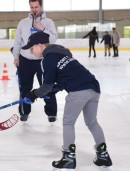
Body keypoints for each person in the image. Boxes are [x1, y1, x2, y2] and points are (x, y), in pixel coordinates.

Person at [22, 32, 113, 170]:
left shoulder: (47, 59)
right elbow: (66, 77)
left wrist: (33, 94)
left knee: (68, 122)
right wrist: (54, 89)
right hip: (93, 87)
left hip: (78, 90)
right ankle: (103, 155)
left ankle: (68, 157)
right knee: (92, 122)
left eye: (32, 48)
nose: (31, 51)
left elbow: (46, 86)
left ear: (40, 45)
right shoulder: (62, 54)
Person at [12, 0, 58, 122]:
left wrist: (43, 29)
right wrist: (16, 57)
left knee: (47, 86)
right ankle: (24, 112)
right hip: (25, 60)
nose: (34, 9)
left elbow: (53, 39)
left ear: (41, 6)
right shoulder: (23, 23)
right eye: (32, 7)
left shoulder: (48, 22)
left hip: (43, 60)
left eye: (36, 7)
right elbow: (17, 41)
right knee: (25, 87)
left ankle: (51, 113)